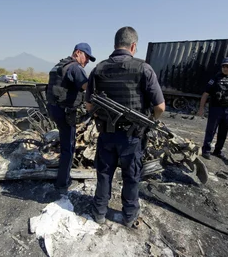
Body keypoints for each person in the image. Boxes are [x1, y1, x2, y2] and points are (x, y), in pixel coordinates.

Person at [85, 26, 165, 227]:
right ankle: (129, 217)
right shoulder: (143, 68)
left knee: (104, 174)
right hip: (132, 137)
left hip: (106, 134)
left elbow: (88, 105)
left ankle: (99, 213)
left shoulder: (98, 69)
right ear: (134, 45)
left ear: (115, 44)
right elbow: (160, 107)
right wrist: (150, 122)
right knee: (131, 177)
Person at [46, 43, 96, 193]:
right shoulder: (75, 67)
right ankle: (62, 183)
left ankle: (60, 171)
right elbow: (88, 88)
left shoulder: (59, 65)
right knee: (69, 147)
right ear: (78, 53)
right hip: (65, 112)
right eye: (86, 57)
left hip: (54, 109)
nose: (87, 61)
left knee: (65, 141)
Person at [197, 57, 228, 160]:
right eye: (223, 66)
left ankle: (218, 151)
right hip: (216, 108)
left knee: (223, 131)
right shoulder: (216, 78)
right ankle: (206, 150)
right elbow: (205, 94)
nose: (225, 68)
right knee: (211, 130)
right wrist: (201, 108)